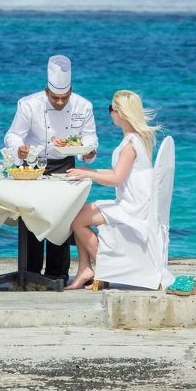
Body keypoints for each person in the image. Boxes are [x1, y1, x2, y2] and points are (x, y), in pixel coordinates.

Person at [4, 55, 98, 284]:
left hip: (65, 165)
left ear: (71, 91)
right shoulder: (28, 104)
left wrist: (88, 152)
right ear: (47, 91)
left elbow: (89, 138)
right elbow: (12, 135)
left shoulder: (84, 106)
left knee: (62, 219)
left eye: (64, 97)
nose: (59, 102)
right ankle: (31, 273)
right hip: (32, 166)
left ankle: (58, 274)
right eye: (55, 97)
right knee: (31, 217)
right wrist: (19, 149)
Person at [64, 90, 161, 290]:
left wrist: (88, 175)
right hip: (137, 202)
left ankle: (101, 270)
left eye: (112, 109)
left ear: (122, 113)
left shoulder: (129, 146)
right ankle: (86, 269)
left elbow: (116, 179)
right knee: (78, 214)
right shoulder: (137, 139)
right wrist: (87, 170)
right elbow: (118, 172)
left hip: (132, 207)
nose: (110, 113)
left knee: (77, 219)